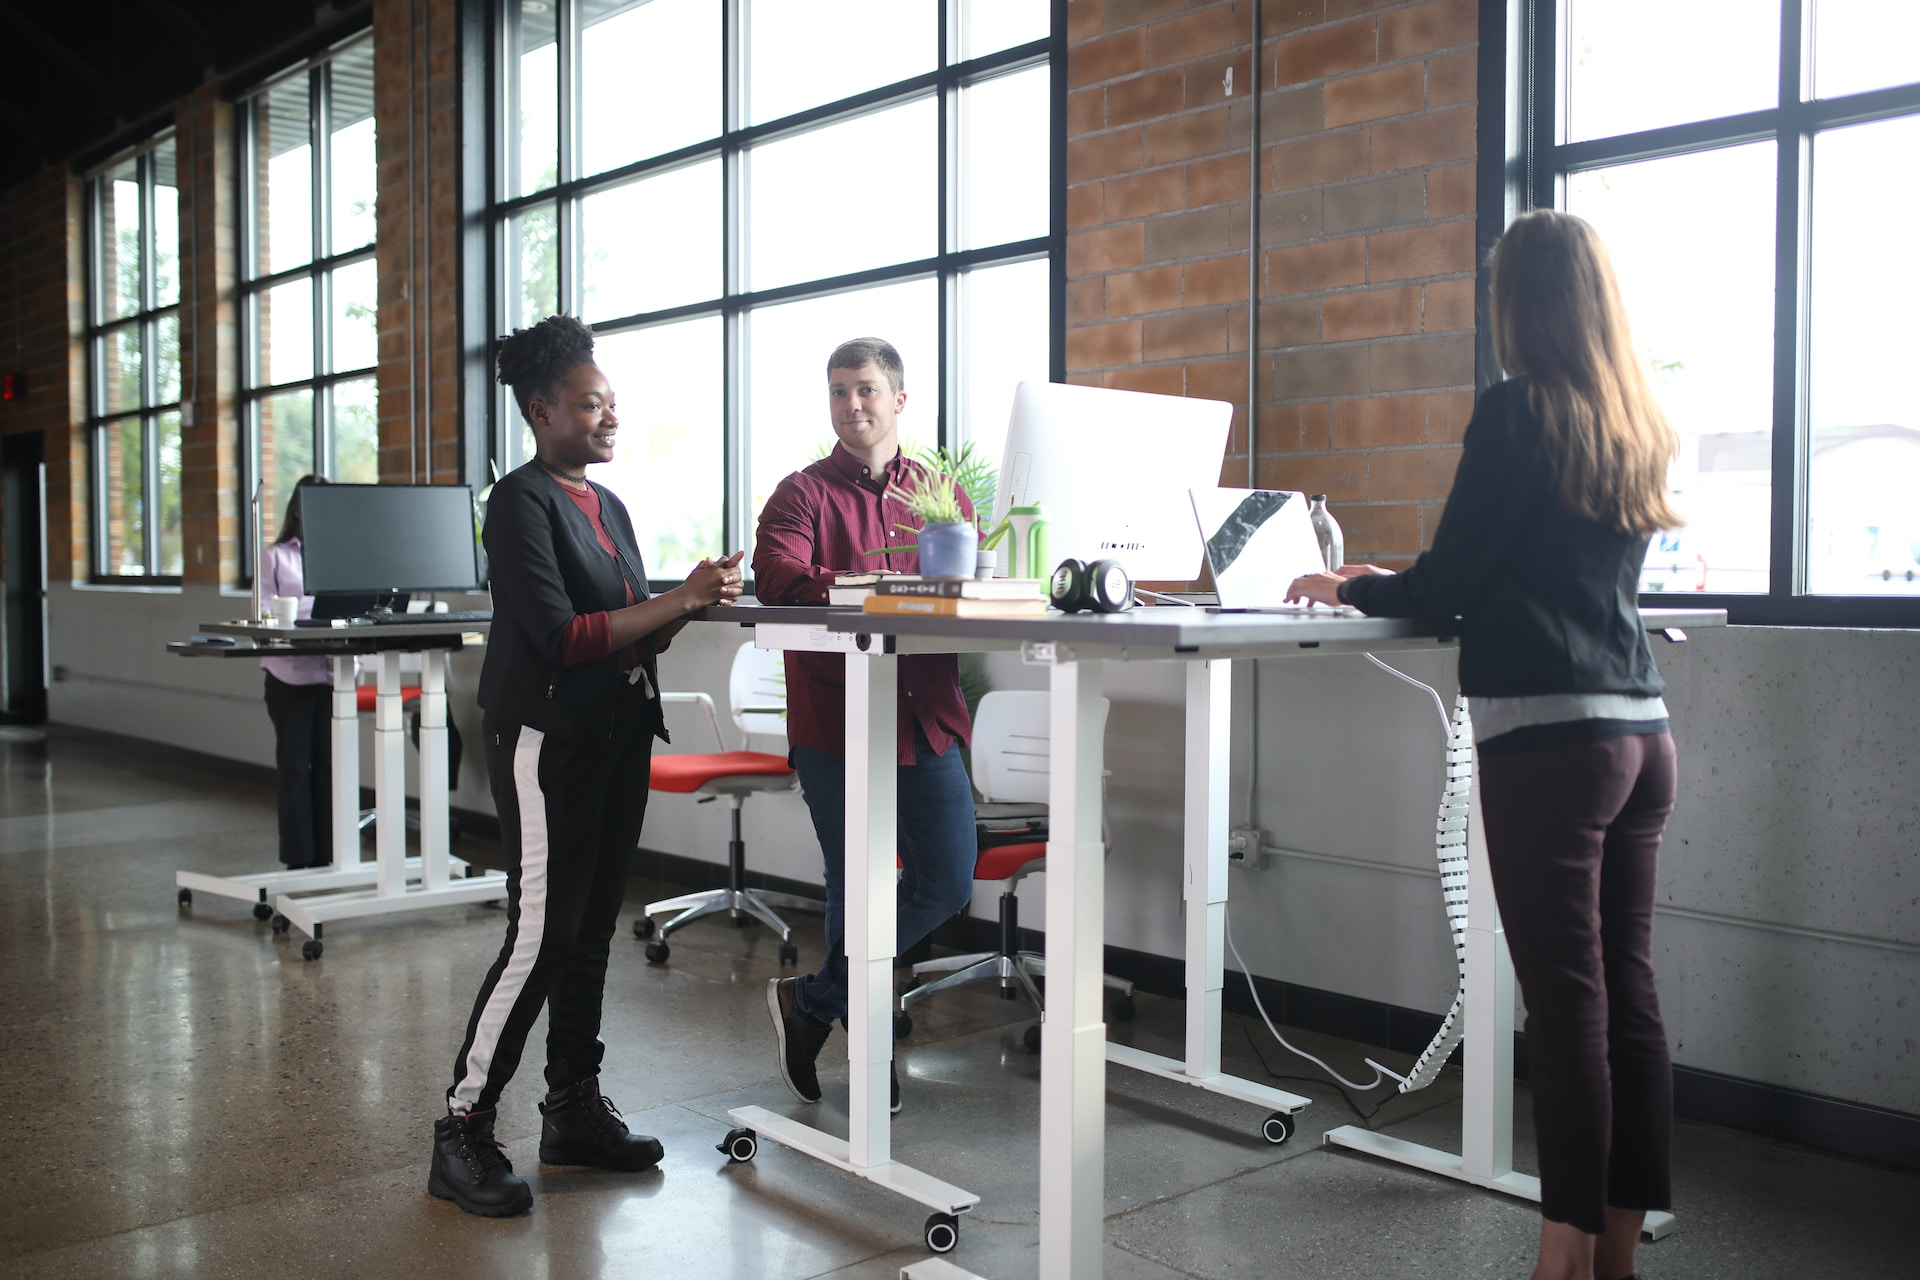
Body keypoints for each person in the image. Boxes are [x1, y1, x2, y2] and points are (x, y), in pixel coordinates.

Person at [1288, 210, 1682, 1280]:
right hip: (1641, 733)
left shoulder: (1518, 413)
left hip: (1550, 744)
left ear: (1519, 300)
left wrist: (1354, 583)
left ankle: (1559, 1255)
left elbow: (1451, 582)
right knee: (1625, 991)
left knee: (1568, 1007)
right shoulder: (1629, 419)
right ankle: (1614, 1251)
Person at [430, 314, 745, 1218]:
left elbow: (629, 621)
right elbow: (566, 638)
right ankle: (461, 1128)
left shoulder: (607, 506)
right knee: (541, 934)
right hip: (547, 742)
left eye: (611, 404)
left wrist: (691, 599)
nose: (609, 418)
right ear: (540, 411)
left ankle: (570, 1106)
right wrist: (673, 599)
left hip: (617, 735)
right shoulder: (518, 502)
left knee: (591, 930)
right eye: (589, 404)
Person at [752, 336, 978, 1115]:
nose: (854, 404)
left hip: (928, 720)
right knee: (857, 889)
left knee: (948, 879)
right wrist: (883, 587)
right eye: (840, 391)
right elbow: (780, 575)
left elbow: (963, 581)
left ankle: (815, 1002)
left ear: (899, 400)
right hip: (839, 724)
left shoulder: (941, 496)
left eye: (868, 389)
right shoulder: (801, 495)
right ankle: (867, 1043)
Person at [259, 474, 334, 869]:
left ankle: (327, 858)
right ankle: (297, 860)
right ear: (297, 509)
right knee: (295, 767)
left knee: (328, 768)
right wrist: (313, 613)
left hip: (331, 674)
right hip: (288, 675)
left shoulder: (341, 554)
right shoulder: (276, 556)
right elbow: (267, 611)